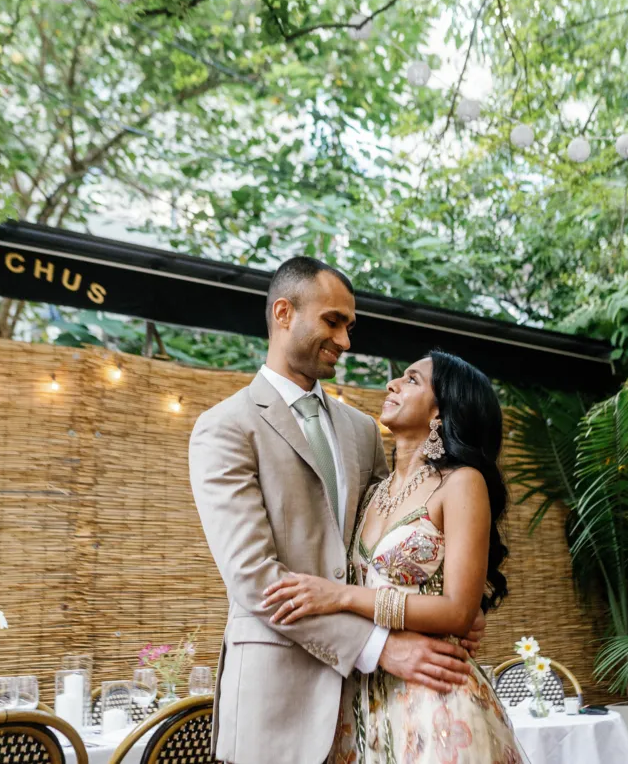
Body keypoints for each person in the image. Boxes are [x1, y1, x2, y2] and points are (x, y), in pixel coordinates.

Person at [189, 257, 485, 764]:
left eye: (349, 325)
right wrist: (380, 647)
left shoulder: (362, 430)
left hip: (377, 710)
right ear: (284, 312)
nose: (346, 341)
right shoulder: (226, 428)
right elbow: (255, 579)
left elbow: (390, 537)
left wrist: (457, 606)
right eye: (333, 321)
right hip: (277, 705)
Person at [262, 350, 526, 764]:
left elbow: (459, 611)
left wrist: (342, 596)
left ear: (441, 411)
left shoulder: (461, 484)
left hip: (435, 706)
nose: (392, 384)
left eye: (412, 380)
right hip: (360, 706)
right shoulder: (373, 493)